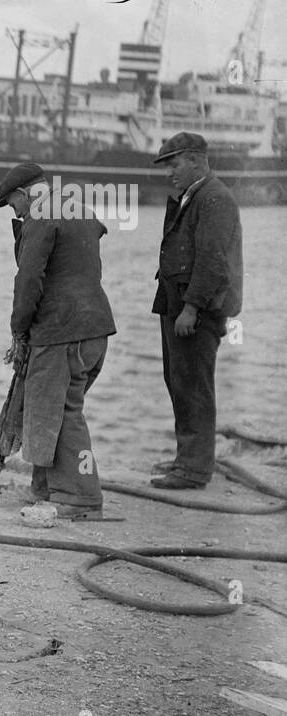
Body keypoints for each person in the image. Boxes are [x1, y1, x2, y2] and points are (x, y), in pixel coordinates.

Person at [0, 163, 116, 518]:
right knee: (53, 408)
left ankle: (81, 497)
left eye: (12, 205)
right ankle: (47, 487)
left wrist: (19, 330)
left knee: (61, 411)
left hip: (60, 332)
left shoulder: (40, 215)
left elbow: (29, 279)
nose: (15, 213)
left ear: (23, 194)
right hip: (94, 329)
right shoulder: (78, 208)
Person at [149, 132, 243, 489]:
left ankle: (193, 468)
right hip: (181, 306)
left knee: (193, 386)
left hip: (197, 311)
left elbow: (212, 260)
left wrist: (191, 308)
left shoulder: (214, 198)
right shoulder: (197, 196)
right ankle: (187, 460)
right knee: (180, 382)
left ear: (194, 160)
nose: (169, 173)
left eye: (173, 164)